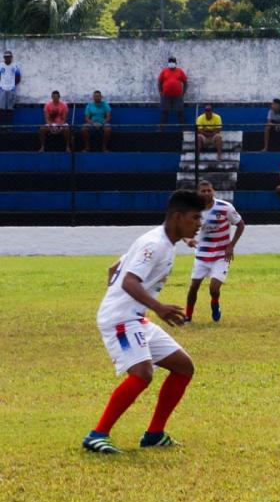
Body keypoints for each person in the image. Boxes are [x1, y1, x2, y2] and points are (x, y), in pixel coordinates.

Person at [81, 189, 205, 454]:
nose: (199, 224)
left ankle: (154, 434)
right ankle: (97, 435)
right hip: (122, 319)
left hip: (134, 317)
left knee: (183, 367)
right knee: (142, 373)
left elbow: (114, 269)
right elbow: (127, 280)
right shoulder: (155, 244)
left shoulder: (161, 241)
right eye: (195, 218)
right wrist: (156, 307)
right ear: (177, 217)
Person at [184, 180, 245, 323]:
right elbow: (182, 229)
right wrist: (188, 240)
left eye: (208, 190)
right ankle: (188, 316)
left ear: (213, 191)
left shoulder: (225, 208)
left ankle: (215, 303)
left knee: (214, 288)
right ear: (198, 193)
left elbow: (240, 225)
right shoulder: (193, 210)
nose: (206, 193)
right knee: (193, 287)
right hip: (202, 255)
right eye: (203, 191)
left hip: (221, 256)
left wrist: (231, 245)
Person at [157, 56, 187, 128]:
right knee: (164, 112)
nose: (171, 63)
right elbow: (159, 82)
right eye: (170, 62)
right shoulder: (164, 71)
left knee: (180, 112)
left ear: (175, 63)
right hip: (166, 96)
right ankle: (161, 129)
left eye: (172, 62)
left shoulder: (180, 71)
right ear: (168, 63)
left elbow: (185, 82)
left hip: (178, 96)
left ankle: (184, 129)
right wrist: (161, 92)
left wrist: (183, 93)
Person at [0, 50, 22, 126]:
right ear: (4, 57)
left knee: (10, 108)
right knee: (1, 108)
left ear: (11, 57)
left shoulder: (15, 66)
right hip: (2, 89)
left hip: (12, 89)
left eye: (9, 56)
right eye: (6, 57)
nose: (7, 58)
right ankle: (2, 126)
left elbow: (18, 77)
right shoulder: (0, 65)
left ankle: (9, 125)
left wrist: (13, 85)